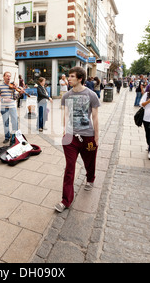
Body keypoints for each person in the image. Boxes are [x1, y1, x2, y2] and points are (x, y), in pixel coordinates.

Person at [55, 67, 101, 213]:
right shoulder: (66, 96)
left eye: (72, 76)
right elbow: (66, 114)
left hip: (88, 136)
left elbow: (95, 117)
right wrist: (64, 131)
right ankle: (65, 200)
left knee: (89, 161)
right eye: (69, 76)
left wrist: (96, 136)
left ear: (80, 78)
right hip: (71, 138)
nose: (69, 79)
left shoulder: (91, 95)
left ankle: (90, 178)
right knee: (69, 167)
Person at [0, 72, 24, 144]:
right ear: (3, 77)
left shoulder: (13, 86)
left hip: (12, 107)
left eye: (10, 76)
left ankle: (14, 137)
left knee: (15, 122)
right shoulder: (0, 86)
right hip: (4, 107)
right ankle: (7, 137)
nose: (9, 77)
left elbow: (15, 97)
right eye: (7, 76)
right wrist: (4, 100)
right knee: (5, 123)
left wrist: (20, 94)